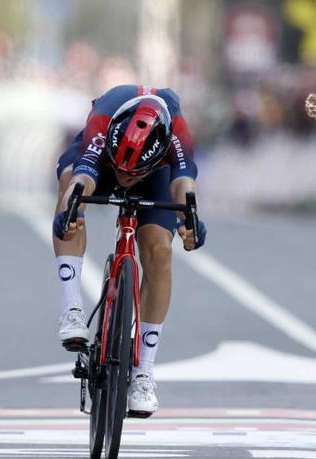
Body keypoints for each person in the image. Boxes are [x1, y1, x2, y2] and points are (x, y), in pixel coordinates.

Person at [52, 84, 207, 417]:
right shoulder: (104, 117)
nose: (125, 180)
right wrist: (72, 210)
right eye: (124, 174)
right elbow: (83, 176)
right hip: (101, 161)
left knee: (159, 249)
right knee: (69, 189)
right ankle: (72, 309)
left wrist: (190, 221)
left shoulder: (176, 133)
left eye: (130, 175)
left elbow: (183, 185)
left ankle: (144, 373)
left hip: (154, 171)